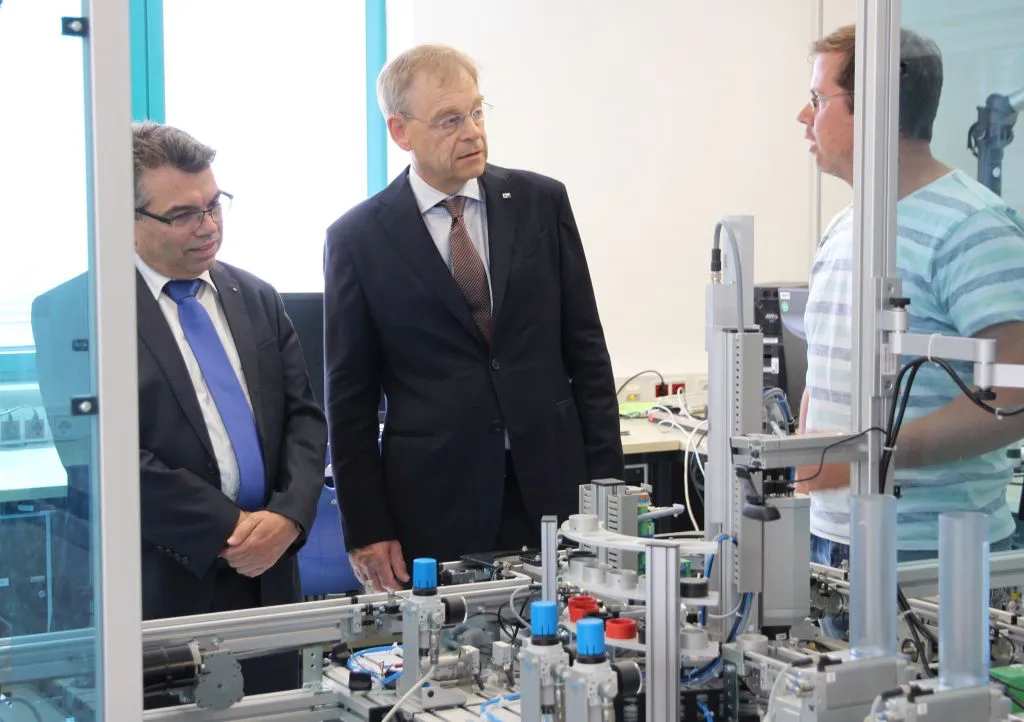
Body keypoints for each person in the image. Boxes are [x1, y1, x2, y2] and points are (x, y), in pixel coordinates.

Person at [324, 44, 624, 592]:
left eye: (478, 112)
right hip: (436, 502)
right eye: (449, 120)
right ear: (400, 132)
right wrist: (365, 529)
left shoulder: (539, 202)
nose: (473, 132)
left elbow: (587, 351)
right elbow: (349, 401)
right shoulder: (358, 239)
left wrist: (608, 490)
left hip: (555, 489)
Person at [794, 26, 1024, 635]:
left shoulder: (975, 228)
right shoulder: (848, 226)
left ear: (874, 109)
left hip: (935, 559)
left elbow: (1015, 399)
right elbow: (824, 376)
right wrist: (809, 473)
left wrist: (867, 457)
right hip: (833, 544)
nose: (802, 116)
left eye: (817, 100)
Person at [132, 122, 327, 695]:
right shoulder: (81, 313)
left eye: (215, 205)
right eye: (184, 214)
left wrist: (287, 518)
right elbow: (107, 458)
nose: (209, 227)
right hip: (169, 580)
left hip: (270, 575)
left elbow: (305, 419)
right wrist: (232, 528)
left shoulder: (257, 297)